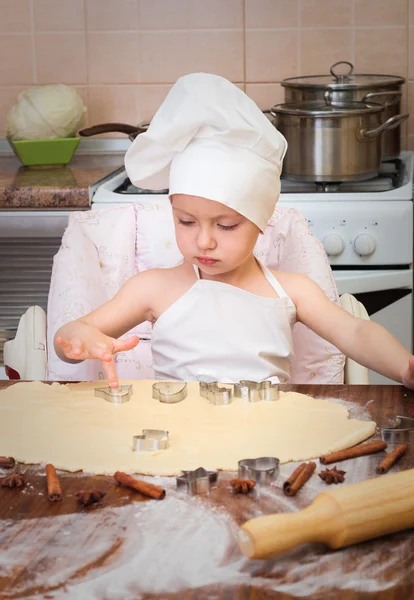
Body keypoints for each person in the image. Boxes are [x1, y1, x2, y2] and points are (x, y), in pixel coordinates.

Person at [54, 73, 414, 390]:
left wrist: (405, 368)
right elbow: (71, 336)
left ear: (261, 221)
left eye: (225, 225)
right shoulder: (153, 288)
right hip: (179, 442)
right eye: (186, 221)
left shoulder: (292, 291)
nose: (204, 240)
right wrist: (78, 339)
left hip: (267, 447)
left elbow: (356, 332)